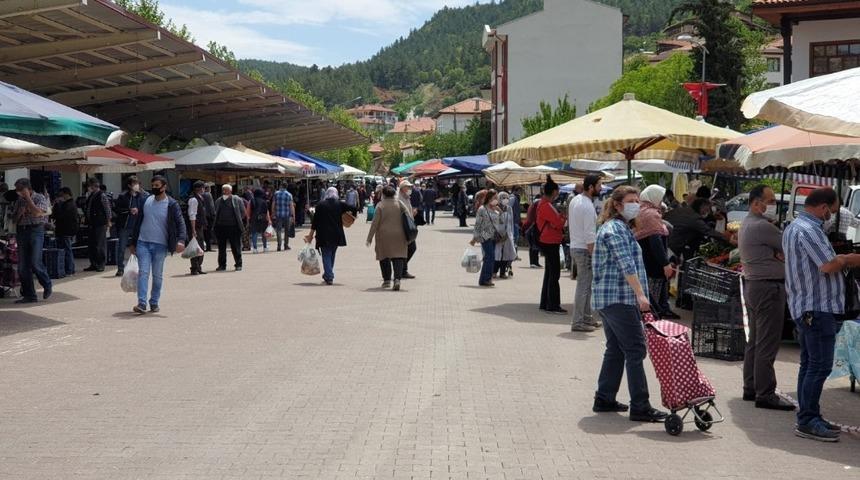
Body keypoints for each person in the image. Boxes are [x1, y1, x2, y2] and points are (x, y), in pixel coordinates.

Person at [783, 187, 860, 442]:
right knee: (819, 366)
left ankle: (810, 414)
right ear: (824, 207)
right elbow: (827, 265)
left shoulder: (796, 227)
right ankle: (807, 420)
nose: (832, 216)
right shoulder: (808, 230)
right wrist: (848, 258)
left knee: (809, 364)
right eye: (833, 210)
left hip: (808, 307)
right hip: (816, 308)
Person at [591, 185, 668, 423]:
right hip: (619, 298)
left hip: (613, 298)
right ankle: (640, 405)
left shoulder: (620, 227)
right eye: (631, 200)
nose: (636, 204)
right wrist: (641, 295)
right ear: (617, 204)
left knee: (615, 348)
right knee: (635, 350)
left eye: (637, 199)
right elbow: (626, 264)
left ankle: (604, 397)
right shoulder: (614, 229)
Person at [738, 185, 794, 411]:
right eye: (769, 201)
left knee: (756, 341)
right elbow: (789, 247)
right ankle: (766, 393)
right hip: (768, 288)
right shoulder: (761, 226)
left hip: (754, 286)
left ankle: (751, 387)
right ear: (755, 203)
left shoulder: (747, 224)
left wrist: (776, 255)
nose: (773, 205)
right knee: (767, 344)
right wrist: (777, 256)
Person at [128, 175, 187, 314]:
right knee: (143, 272)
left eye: (157, 186)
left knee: (157, 275)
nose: (154, 188)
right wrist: (132, 242)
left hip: (160, 245)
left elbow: (180, 223)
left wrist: (181, 240)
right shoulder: (146, 201)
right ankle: (142, 303)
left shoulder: (171, 204)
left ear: (164, 187)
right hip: (143, 242)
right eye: (153, 185)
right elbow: (138, 222)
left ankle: (154, 302)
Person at [634, 185, 679, 320]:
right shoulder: (651, 214)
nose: (661, 200)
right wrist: (665, 263)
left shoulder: (641, 211)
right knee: (651, 302)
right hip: (652, 264)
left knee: (649, 299)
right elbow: (655, 241)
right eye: (660, 197)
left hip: (644, 261)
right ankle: (651, 329)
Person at [568, 174, 602, 332]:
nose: (600, 188)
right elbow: (590, 235)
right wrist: (595, 255)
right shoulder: (587, 206)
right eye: (599, 185)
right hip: (584, 249)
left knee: (586, 286)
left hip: (576, 246)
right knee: (584, 286)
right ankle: (578, 322)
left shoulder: (576, 200)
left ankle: (586, 318)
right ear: (591, 187)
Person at [304, 187, 357, 285]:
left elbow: (315, 222)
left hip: (323, 234)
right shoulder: (339, 204)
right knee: (331, 254)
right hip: (337, 234)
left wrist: (310, 235)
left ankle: (329, 276)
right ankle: (328, 274)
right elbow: (354, 208)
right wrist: (352, 219)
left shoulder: (320, 205)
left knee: (326, 255)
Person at [12, 178, 52, 303]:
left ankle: (46, 283)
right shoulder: (19, 201)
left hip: (36, 230)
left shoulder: (39, 197)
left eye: (20, 189)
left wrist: (28, 199)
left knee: (35, 262)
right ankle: (30, 294)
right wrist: (19, 213)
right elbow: (14, 219)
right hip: (22, 231)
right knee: (23, 266)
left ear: (27, 188)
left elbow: (38, 212)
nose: (18, 192)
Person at [366, 186, 410, 291]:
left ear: (383, 194)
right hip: (400, 235)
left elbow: (374, 223)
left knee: (384, 257)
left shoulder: (380, 205)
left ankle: (386, 281)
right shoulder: (400, 204)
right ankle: (397, 280)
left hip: (383, 235)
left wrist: (369, 238)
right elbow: (409, 217)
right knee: (398, 257)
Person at [536, 176, 566, 314]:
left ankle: (545, 302)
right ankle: (553, 304)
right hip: (550, 241)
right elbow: (558, 223)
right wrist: (563, 217)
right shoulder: (547, 205)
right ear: (554, 192)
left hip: (546, 240)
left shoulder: (543, 204)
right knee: (554, 274)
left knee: (549, 273)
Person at [114, 176, 147, 276]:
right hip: (125, 225)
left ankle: (137, 267)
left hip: (137, 225)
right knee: (122, 248)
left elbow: (145, 208)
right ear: (129, 185)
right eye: (134, 183)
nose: (137, 185)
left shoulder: (141, 196)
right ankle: (120, 268)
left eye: (138, 183)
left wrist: (138, 210)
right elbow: (117, 209)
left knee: (138, 247)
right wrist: (129, 210)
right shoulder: (123, 196)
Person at [471, 189, 501, 287]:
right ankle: (487, 279)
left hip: (493, 236)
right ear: (489, 198)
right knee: (491, 257)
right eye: (495, 198)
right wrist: (475, 237)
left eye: (496, 198)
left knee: (488, 258)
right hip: (485, 236)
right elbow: (477, 224)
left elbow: (500, 222)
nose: (496, 200)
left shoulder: (495, 209)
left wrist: (500, 212)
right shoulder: (482, 209)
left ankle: (483, 280)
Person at [213, 185, 246, 272]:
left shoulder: (237, 200)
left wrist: (238, 221)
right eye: (223, 190)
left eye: (226, 190)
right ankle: (222, 265)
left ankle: (238, 264)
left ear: (230, 191)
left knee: (236, 247)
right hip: (221, 227)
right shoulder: (218, 201)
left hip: (234, 227)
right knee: (221, 248)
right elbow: (215, 213)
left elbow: (243, 213)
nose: (224, 192)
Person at [83, 177, 112, 272]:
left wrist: (108, 221)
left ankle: (101, 264)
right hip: (91, 223)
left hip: (100, 223)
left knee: (99, 245)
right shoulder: (91, 195)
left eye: (90, 186)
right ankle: (93, 263)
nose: (88, 188)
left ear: (94, 186)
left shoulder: (101, 195)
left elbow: (107, 209)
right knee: (91, 244)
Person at [52, 187, 79, 276]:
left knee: (67, 250)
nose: (61, 197)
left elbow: (59, 215)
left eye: (62, 195)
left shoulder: (68, 204)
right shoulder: (69, 203)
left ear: (66, 194)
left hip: (66, 230)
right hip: (66, 230)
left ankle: (69, 269)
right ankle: (70, 268)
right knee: (67, 249)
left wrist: (57, 205)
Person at [186, 181, 208, 275]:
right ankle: (194, 268)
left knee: (200, 247)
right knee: (195, 247)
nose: (204, 189)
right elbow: (192, 215)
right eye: (203, 187)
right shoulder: (193, 200)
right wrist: (193, 229)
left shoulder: (200, 198)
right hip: (195, 227)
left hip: (199, 226)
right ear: (198, 188)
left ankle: (198, 266)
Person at [398, 181, 418, 279]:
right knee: (409, 247)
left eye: (410, 187)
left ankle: (402, 269)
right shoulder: (398, 198)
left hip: (409, 225)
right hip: (403, 227)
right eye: (408, 187)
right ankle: (402, 270)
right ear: (402, 188)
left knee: (411, 248)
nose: (409, 189)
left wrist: (412, 213)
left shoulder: (407, 198)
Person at [494, 191, 516, 279]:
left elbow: (511, 222)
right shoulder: (495, 208)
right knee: (497, 254)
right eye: (503, 198)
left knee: (506, 254)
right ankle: (494, 271)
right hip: (498, 235)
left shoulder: (509, 208)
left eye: (507, 198)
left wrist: (511, 235)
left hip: (507, 235)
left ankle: (503, 272)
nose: (505, 200)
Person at [271, 184, 295, 252]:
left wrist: (272, 213)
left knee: (278, 230)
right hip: (287, 215)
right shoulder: (289, 195)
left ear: (281, 186)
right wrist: (293, 215)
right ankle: (286, 245)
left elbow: (273, 204)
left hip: (278, 215)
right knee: (286, 230)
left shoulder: (276, 193)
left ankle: (279, 245)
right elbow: (291, 206)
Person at [248, 189, 271, 254]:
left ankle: (255, 249)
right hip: (263, 218)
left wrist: (248, 219)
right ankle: (265, 248)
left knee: (254, 233)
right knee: (264, 233)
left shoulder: (251, 200)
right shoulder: (264, 201)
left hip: (254, 218)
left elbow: (248, 210)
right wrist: (269, 220)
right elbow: (267, 211)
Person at [524, 195, 543, 268]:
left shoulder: (534, 204)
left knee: (534, 245)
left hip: (531, 226)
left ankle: (535, 262)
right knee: (533, 245)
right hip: (533, 227)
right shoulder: (537, 204)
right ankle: (533, 263)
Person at [201, 183, 216, 252]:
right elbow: (211, 206)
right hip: (209, 216)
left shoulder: (201, 195)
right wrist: (214, 214)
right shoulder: (208, 195)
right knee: (209, 232)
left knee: (204, 232)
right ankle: (208, 247)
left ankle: (205, 246)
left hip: (203, 215)